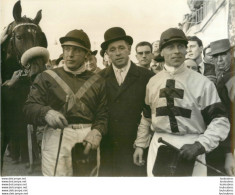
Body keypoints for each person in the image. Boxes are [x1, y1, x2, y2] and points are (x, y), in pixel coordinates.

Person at [133, 28, 230, 176]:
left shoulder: (202, 83)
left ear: (186, 50)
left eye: (181, 46)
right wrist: (140, 144)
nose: (176, 51)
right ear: (162, 52)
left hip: (192, 147)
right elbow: (146, 118)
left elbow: (220, 120)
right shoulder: (152, 82)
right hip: (159, 146)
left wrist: (200, 145)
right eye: (170, 47)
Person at [23, 29, 108, 176]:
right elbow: (29, 107)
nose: (70, 54)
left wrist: (98, 130)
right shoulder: (47, 77)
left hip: (87, 136)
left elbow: (103, 114)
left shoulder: (98, 81)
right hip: (57, 135)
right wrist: (46, 112)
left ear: (87, 54)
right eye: (67, 49)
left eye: (76, 50)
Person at [99, 27, 154, 176]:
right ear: (107, 54)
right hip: (108, 150)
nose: (117, 53)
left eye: (121, 48)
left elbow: (151, 115)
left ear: (129, 49)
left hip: (136, 149)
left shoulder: (147, 77)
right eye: (112, 49)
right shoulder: (99, 78)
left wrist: (141, 146)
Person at [206, 38, 235, 176]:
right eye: (215, 56)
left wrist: (229, 152)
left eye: (223, 54)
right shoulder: (222, 76)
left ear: (232, 52)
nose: (219, 60)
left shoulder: (231, 78)